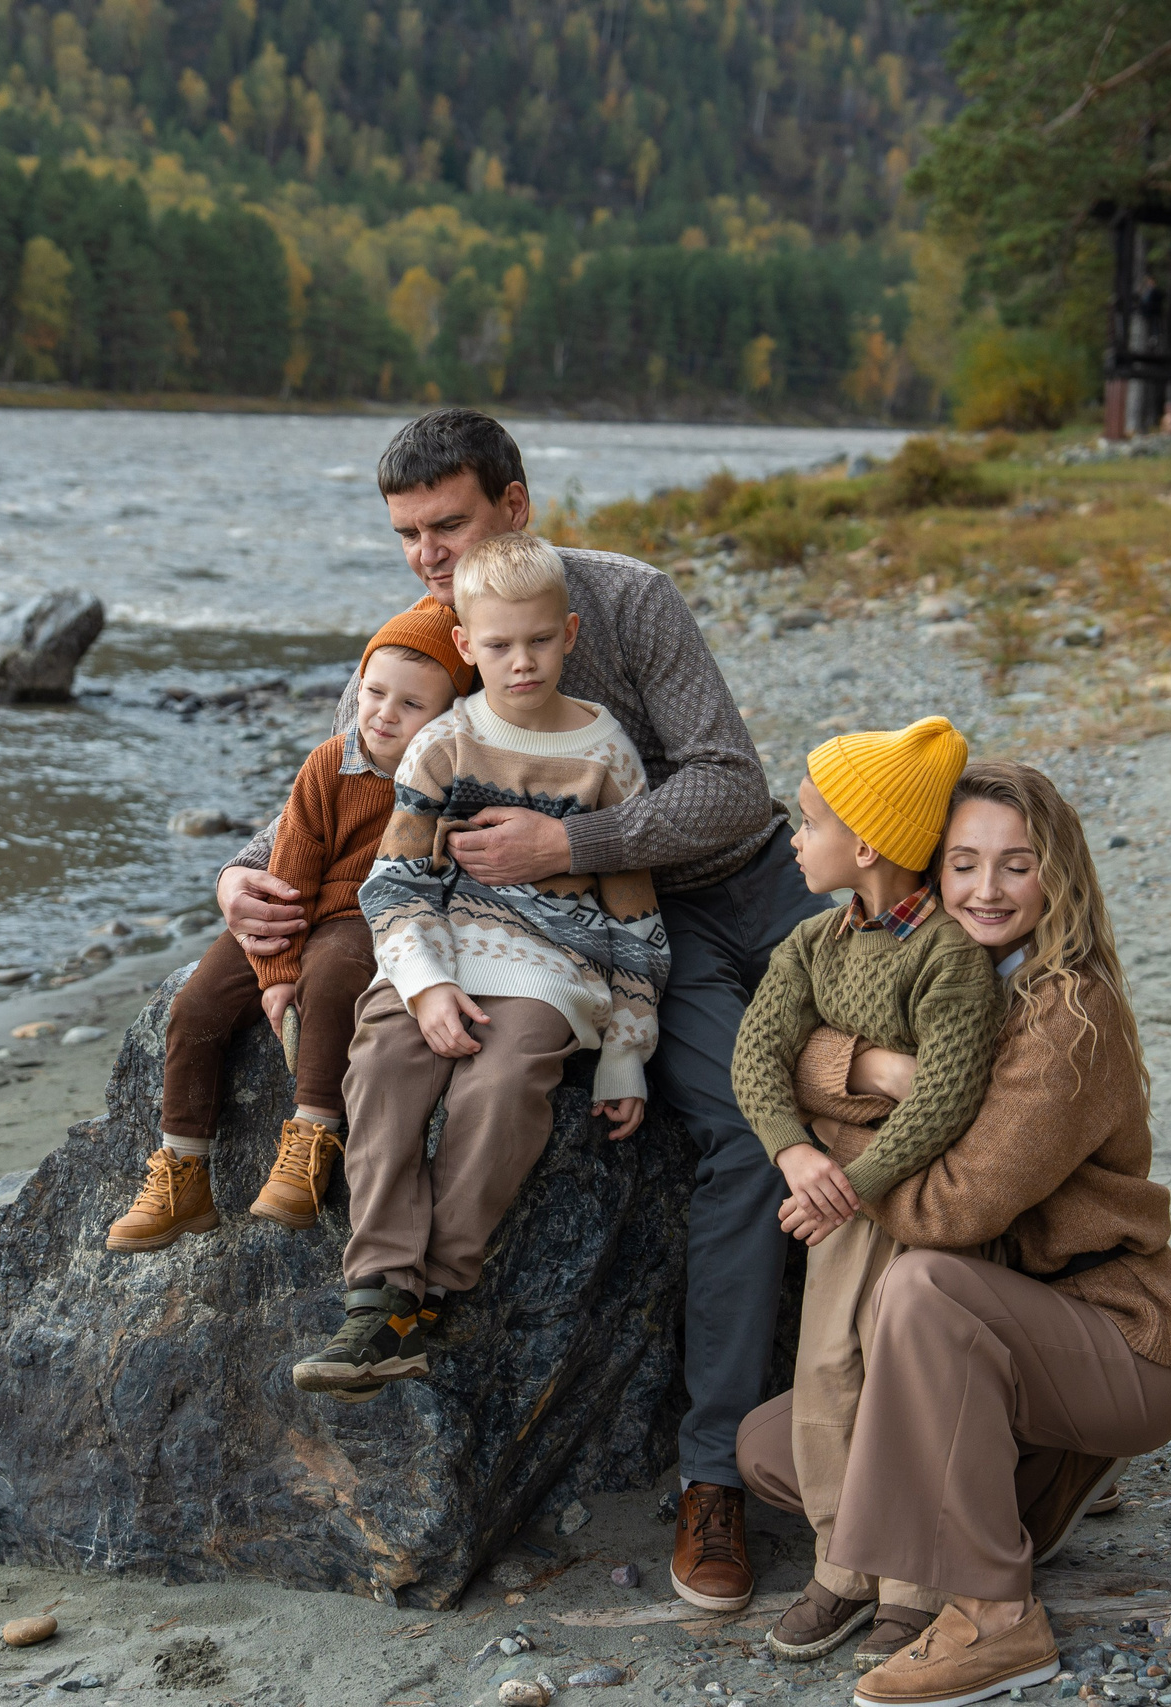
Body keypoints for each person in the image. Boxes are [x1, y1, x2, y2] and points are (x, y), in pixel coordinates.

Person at [218, 409, 820, 1605]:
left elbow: (725, 783)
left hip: (748, 878)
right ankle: (716, 1481)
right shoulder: (434, 633)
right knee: (749, 1138)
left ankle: (1028, 1371)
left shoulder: (627, 600)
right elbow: (366, 766)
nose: (427, 555)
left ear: (515, 503)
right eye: (405, 534)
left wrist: (569, 836)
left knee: (937, 1027)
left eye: (446, 523)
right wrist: (247, 870)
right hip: (635, 939)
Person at [736, 763, 1171, 1701]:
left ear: (1057, 877)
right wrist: (870, 1065)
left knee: (923, 1284)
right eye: (963, 863)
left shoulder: (1069, 1013)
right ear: (928, 870)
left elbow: (957, 1207)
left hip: (1112, 1332)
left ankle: (998, 1617)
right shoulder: (932, 976)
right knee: (771, 1447)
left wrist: (832, 1165)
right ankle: (1047, 1477)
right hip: (1004, 1334)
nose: (986, 890)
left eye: (1016, 865)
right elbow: (782, 1048)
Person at [290, 531, 667, 1397]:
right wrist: (423, 985)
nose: (522, 661)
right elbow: (394, 885)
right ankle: (375, 1289)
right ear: (465, 645)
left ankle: (429, 1292)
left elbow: (636, 915)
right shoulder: (444, 745)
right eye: (498, 645)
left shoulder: (606, 756)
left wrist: (626, 1049)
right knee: (383, 1056)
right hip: (442, 948)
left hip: (552, 963)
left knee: (498, 1089)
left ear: (570, 633)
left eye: (539, 640)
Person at [728, 719, 1004, 1637]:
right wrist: (795, 1153)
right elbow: (758, 1050)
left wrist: (852, 1177)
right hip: (834, 1194)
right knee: (827, 1370)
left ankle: (915, 1581)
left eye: (806, 821)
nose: (793, 838)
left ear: (867, 842)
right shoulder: (815, 943)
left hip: (922, 1197)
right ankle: (841, 1560)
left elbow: (946, 1098)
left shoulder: (951, 956)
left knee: (907, 1378)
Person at [106, 604, 470, 1252]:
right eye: (373, 692)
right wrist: (274, 977)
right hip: (294, 909)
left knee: (331, 983)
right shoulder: (330, 765)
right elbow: (289, 872)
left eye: (410, 704)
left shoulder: (448, 786)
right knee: (196, 1007)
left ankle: (310, 1138)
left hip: (365, 917)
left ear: (449, 716)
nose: (383, 713)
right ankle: (183, 1169)